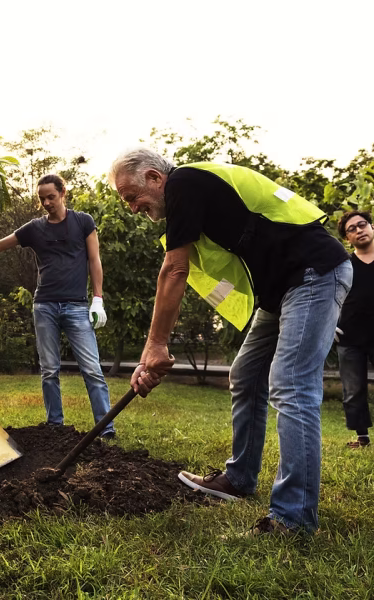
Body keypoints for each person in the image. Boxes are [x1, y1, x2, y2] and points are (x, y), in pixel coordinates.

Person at [110, 148, 351, 536]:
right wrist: (153, 347)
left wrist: (155, 345)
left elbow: (174, 269)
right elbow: (173, 265)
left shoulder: (185, 183)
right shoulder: (192, 199)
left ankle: (293, 518)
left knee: (291, 384)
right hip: (283, 289)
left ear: (155, 178)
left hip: (313, 274)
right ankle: (238, 479)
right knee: (246, 374)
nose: (132, 207)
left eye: (130, 196)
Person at [0, 174, 114, 437]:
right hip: (45, 306)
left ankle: (105, 428)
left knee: (92, 369)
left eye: (51, 197)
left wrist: (98, 298)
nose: (46, 203)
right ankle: (55, 426)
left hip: (76, 306)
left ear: (64, 192)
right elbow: (0, 246)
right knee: (49, 369)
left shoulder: (83, 222)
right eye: (42, 199)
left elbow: (94, 260)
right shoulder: (34, 228)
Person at [335, 211, 374, 449]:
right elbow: (331, 297)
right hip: (350, 337)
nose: (359, 230)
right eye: (352, 229)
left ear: (371, 226)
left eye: (362, 225)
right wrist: (332, 325)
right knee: (352, 391)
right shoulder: (344, 266)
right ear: (347, 238)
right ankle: (363, 438)